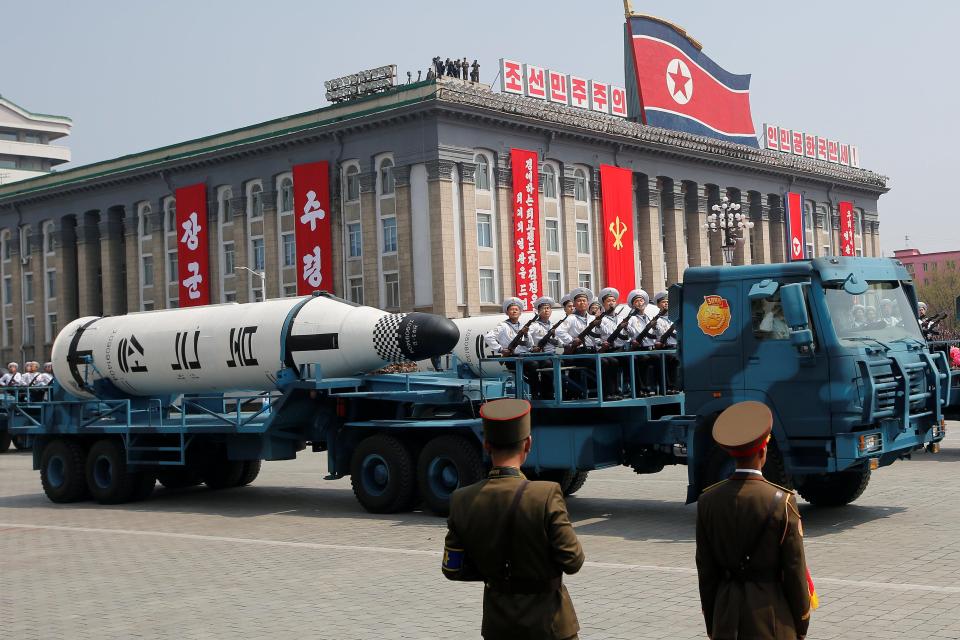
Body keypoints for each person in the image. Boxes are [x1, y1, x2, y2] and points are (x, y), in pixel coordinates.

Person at [442, 398, 585, 639]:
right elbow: (573, 561)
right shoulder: (546, 494)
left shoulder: (462, 500)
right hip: (550, 626)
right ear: (528, 444)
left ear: (486, 445)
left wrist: (497, 573)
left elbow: (452, 568)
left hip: (499, 626)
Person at [696, 401, 814, 640]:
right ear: (763, 451)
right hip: (771, 618)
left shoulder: (708, 500)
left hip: (725, 616)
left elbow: (706, 572)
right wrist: (801, 622)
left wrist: (713, 622)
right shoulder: (782, 501)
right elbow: (794, 571)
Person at [626, 290, 657, 396]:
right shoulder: (632, 319)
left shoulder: (649, 318)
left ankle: (661, 387)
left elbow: (656, 334)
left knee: (663, 358)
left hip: (650, 348)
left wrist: (654, 327)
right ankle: (642, 389)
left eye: (641, 300)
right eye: (636, 301)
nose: (640, 303)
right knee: (643, 360)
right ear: (633, 305)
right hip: (639, 349)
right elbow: (631, 333)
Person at [527, 296, 558, 399]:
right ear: (538, 311)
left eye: (548, 308)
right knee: (547, 365)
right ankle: (544, 393)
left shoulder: (553, 326)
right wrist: (532, 347)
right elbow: (526, 336)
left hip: (552, 354)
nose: (546, 310)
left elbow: (560, 342)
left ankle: (559, 392)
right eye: (543, 308)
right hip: (539, 355)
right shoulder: (534, 325)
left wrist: (554, 339)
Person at [653, 291, 680, 394]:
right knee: (669, 364)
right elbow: (660, 333)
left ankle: (676, 386)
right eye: (664, 302)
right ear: (659, 305)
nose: (666, 304)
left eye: (668, 302)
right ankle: (669, 387)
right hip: (666, 348)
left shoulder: (675, 318)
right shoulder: (657, 320)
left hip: (677, 346)